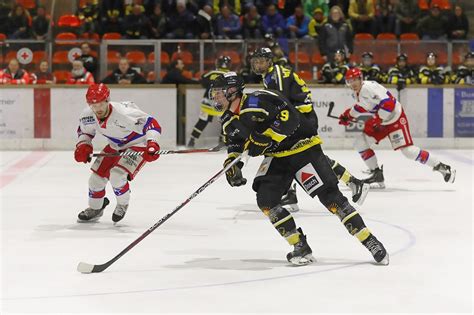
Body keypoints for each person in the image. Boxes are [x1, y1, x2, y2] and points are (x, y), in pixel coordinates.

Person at [211, 72, 388, 265]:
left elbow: (291, 118)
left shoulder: (258, 100)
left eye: (219, 92)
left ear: (232, 91)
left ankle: (370, 241)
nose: (215, 97)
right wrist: (233, 164)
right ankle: (299, 245)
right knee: (266, 201)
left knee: (332, 199)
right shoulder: (228, 120)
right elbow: (236, 144)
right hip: (278, 157)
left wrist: (269, 138)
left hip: (302, 149)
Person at [250, 47, 369, 211]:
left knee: (297, 155)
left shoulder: (275, 77)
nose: (258, 65)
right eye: (255, 62)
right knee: (295, 155)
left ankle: (352, 182)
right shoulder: (271, 75)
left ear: (270, 61)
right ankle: (351, 182)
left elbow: (282, 105)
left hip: (300, 119)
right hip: (298, 118)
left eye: (261, 61)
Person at [339, 67, 455, 188]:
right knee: (360, 143)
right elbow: (362, 107)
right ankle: (376, 174)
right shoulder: (359, 92)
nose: (352, 84)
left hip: (395, 119)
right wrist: (347, 115)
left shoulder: (369, 88)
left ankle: (442, 167)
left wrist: (378, 119)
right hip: (382, 122)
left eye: (354, 80)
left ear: (360, 78)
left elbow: (389, 103)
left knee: (408, 151)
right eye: (349, 81)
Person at [74, 83, 162, 222]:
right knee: (95, 180)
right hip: (116, 144)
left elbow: (152, 124)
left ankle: (122, 204)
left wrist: (152, 143)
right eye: (93, 105)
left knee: (117, 175)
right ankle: (96, 208)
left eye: (100, 104)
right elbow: (85, 132)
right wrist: (83, 145)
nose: (97, 109)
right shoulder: (88, 114)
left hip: (137, 144)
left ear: (107, 100)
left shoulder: (123, 113)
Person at [188, 55, 231, 147]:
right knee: (225, 122)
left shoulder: (211, 73)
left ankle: (192, 140)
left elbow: (202, 80)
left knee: (202, 121)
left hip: (207, 103)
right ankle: (223, 141)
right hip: (222, 104)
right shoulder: (231, 75)